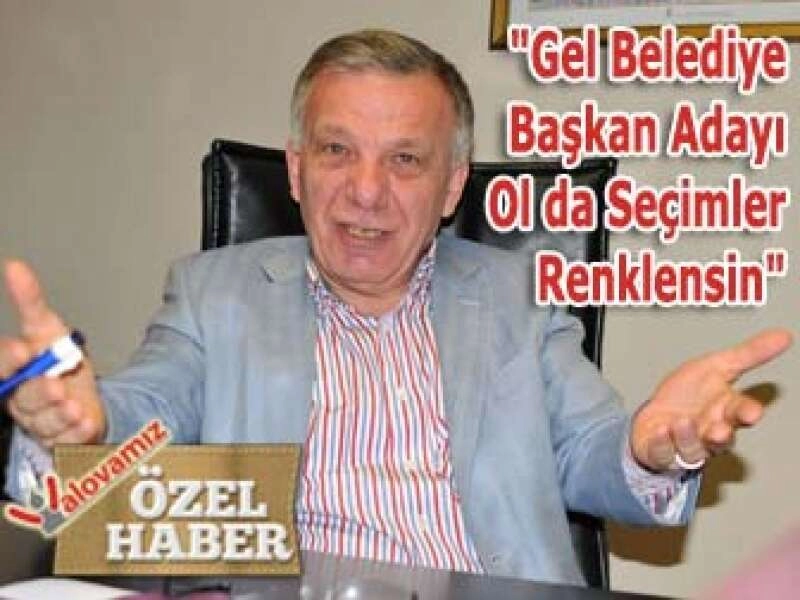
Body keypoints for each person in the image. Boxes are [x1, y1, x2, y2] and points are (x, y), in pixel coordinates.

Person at [0, 29, 792, 585]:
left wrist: (654, 448)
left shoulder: (516, 299)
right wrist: (77, 427)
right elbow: (142, 413)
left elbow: (591, 451)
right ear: (297, 169)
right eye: (337, 151)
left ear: (452, 187)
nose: (366, 191)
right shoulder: (215, 294)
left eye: (405, 159)